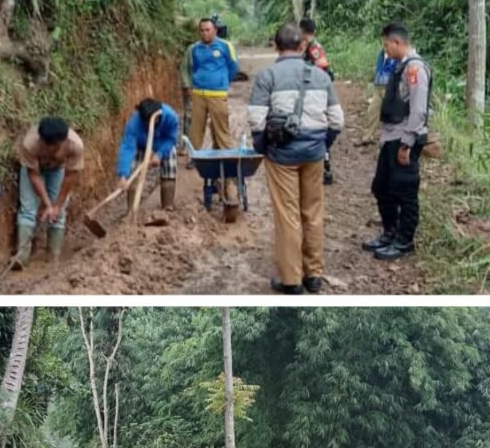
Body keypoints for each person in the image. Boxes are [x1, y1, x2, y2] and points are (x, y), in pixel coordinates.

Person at [248, 22, 345, 295]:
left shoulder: (268, 76)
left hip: (281, 155)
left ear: (275, 46)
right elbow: (337, 120)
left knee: (287, 215)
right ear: (302, 46)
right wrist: (323, 145)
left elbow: (256, 119)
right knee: (313, 212)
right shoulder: (322, 77)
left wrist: (263, 147)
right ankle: (314, 274)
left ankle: (291, 280)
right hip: (314, 153)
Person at [364, 22, 432, 262]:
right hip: (391, 136)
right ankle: (390, 233)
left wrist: (407, 144)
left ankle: (404, 241)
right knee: (382, 188)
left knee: (405, 192)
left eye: (386, 45)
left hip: (404, 137)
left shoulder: (415, 69)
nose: (386, 50)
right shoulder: (400, 66)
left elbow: (418, 109)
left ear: (397, 42)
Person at [181, 18, 239, 202]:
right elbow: (194, 68)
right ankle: (194, 157)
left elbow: (233, 67)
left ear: (215, 30)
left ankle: (227, 158)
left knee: (221, 128)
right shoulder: (195, 49)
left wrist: (223, 82)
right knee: (196, 128)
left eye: (208, 30)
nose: (204, 33)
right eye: (202, 30)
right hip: (199, 94)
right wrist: (196, 83)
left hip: (217, 94)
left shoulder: (225, 46)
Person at [15, 116, 84, 268]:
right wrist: (47, 204)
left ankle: (53, 255)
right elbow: (34, 175)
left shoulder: (75, 145)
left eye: (56, 147)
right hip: (34, 169)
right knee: (28, 210)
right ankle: (22, 256)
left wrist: (57, 205)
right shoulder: (30, 144)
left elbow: (70, 176)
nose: (51, 150)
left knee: (59, 214)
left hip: (57, 169)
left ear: (64, 141)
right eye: (47, 146)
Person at [117, 98, 180, 211]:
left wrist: (160, 154)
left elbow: (171, 139)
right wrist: (123, 175)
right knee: (133, 171)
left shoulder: (171, 117)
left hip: (163, 145)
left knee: (171, 159)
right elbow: (128, 148)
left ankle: (167, 206)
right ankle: (131, 211)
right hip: (143, 145)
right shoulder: (134, 124)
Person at [299, 18, 335, 185]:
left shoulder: (314, 49)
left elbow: (322, 70)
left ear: (304, 32)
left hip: (317, 92)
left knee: (320, 126)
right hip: (314, 90)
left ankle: (325, 167)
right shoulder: (309, 47)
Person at [358, 33, 399, 146]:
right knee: (372, 111)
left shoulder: (396, 57)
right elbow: (378, 69)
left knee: (389, 114)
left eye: (387, 44)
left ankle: (388, 139)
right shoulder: (382, 55)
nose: (385, 46)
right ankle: (367, 136)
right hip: (378, 87)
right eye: (383, 43)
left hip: (389, 88)